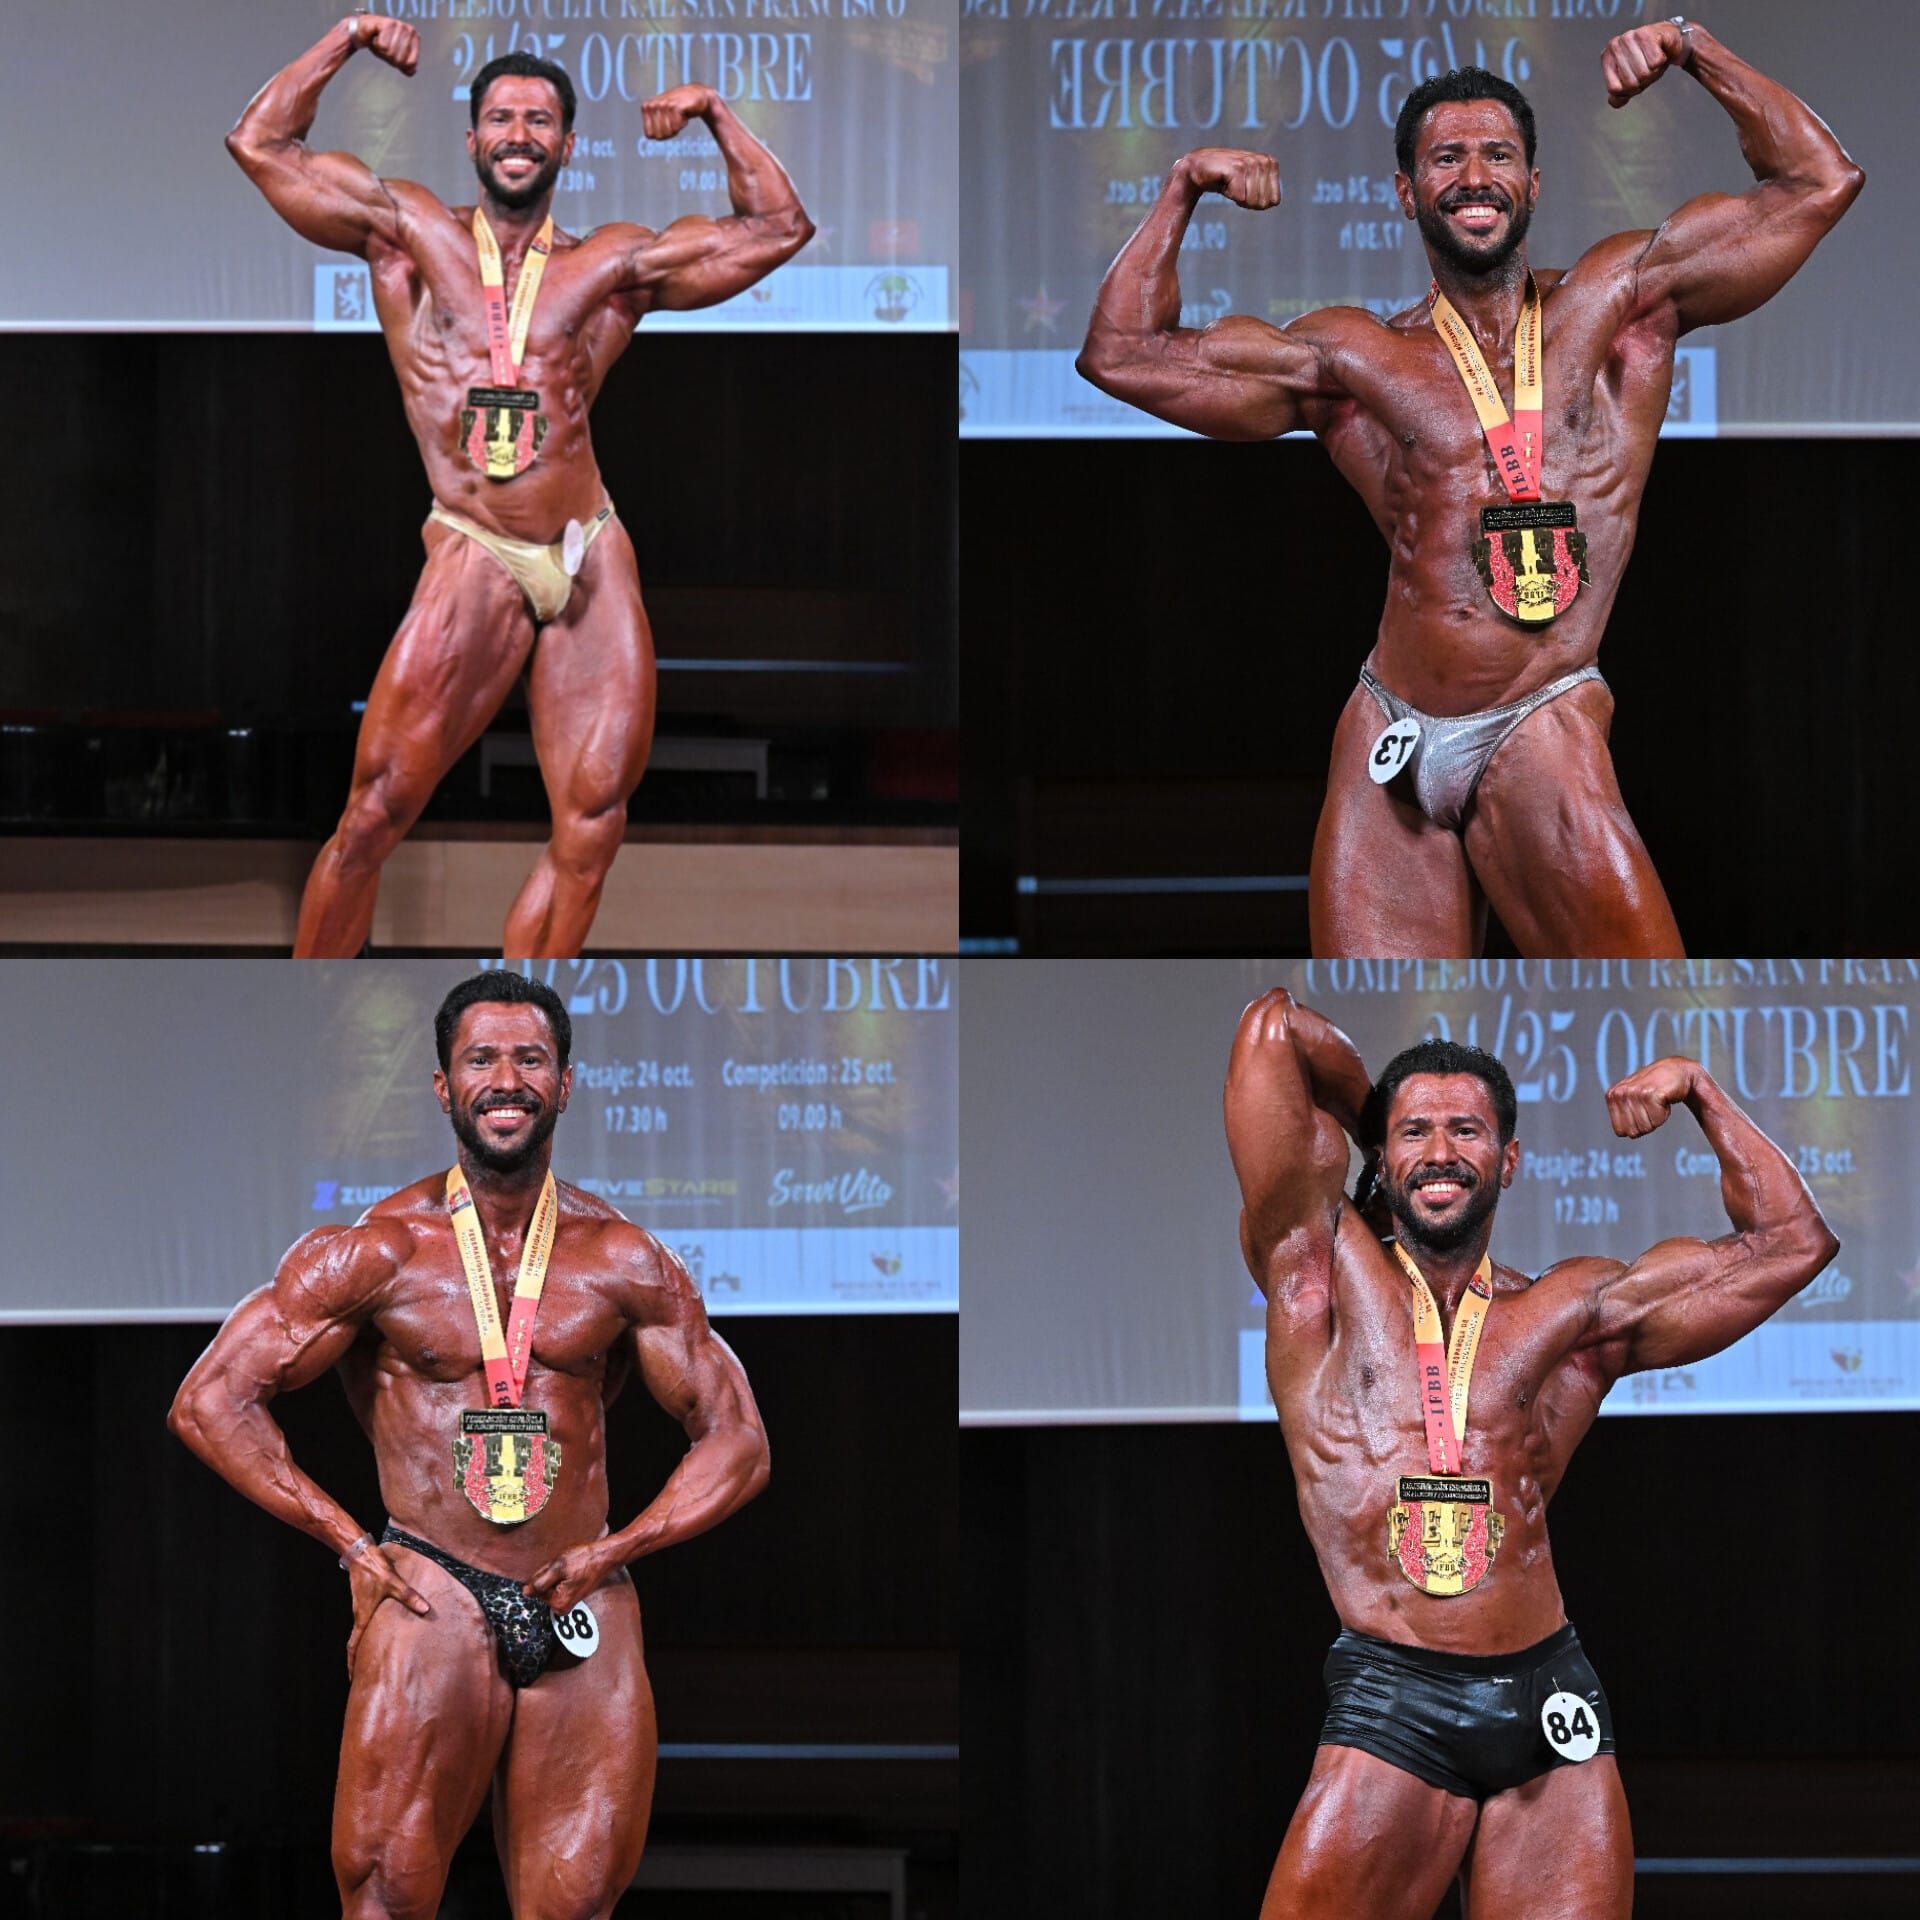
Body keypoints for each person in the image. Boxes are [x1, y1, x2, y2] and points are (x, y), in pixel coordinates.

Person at [1080, 21, 1862, 958]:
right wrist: (1182, 187)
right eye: (1445, 159)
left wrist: (1695, 48)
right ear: (1407, 192)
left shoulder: (1623, 303)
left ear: (1533, 182)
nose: (1474, 176)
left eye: (1498, 155)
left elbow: (1817, 183)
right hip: (1392, 734)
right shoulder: (1356, 355)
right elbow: (1122, 354)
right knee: (1379, 1025)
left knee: (1644, 1002)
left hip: (1539, 716)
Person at [1222, 987, 1837, 1916]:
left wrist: (1700, 1089)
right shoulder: (1318, 1274)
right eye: (1416, 1133)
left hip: (1552, 1703)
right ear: (1381, 1154)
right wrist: (1373, 1124)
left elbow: (1792, 1244)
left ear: (1507, 1161)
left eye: (1465, 1132)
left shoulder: (1570, 1312)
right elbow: (1274, 1029)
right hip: (1396, 1700)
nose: (1440, 1152)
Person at [169, 970, 769, 1918]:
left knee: (577, 1905)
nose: (507, 1080)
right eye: (482, 1059)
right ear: (445, 1086)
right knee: (386, 1895)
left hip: (578, 1589)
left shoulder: (624, 1258)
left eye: (531, 1059)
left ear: (565, 1083)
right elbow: (211, 1403)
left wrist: (618, 1548)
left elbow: (737, 1439)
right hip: (432, 1588)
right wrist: (350, 1544)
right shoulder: (380, 1251)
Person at [228, 17, 813, 957]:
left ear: (567, 146)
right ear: (472, 139)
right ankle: (307, 1009)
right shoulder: (407, 233)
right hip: (478, 544)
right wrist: (347, 37)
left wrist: (714, 112)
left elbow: (779, 228)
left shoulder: (610, 266)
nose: (519, 134)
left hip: (586, 549)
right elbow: (261, 144)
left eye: (540, 121)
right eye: (502, 118)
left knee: (593, 827)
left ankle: (527, 1016)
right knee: (374, 814)